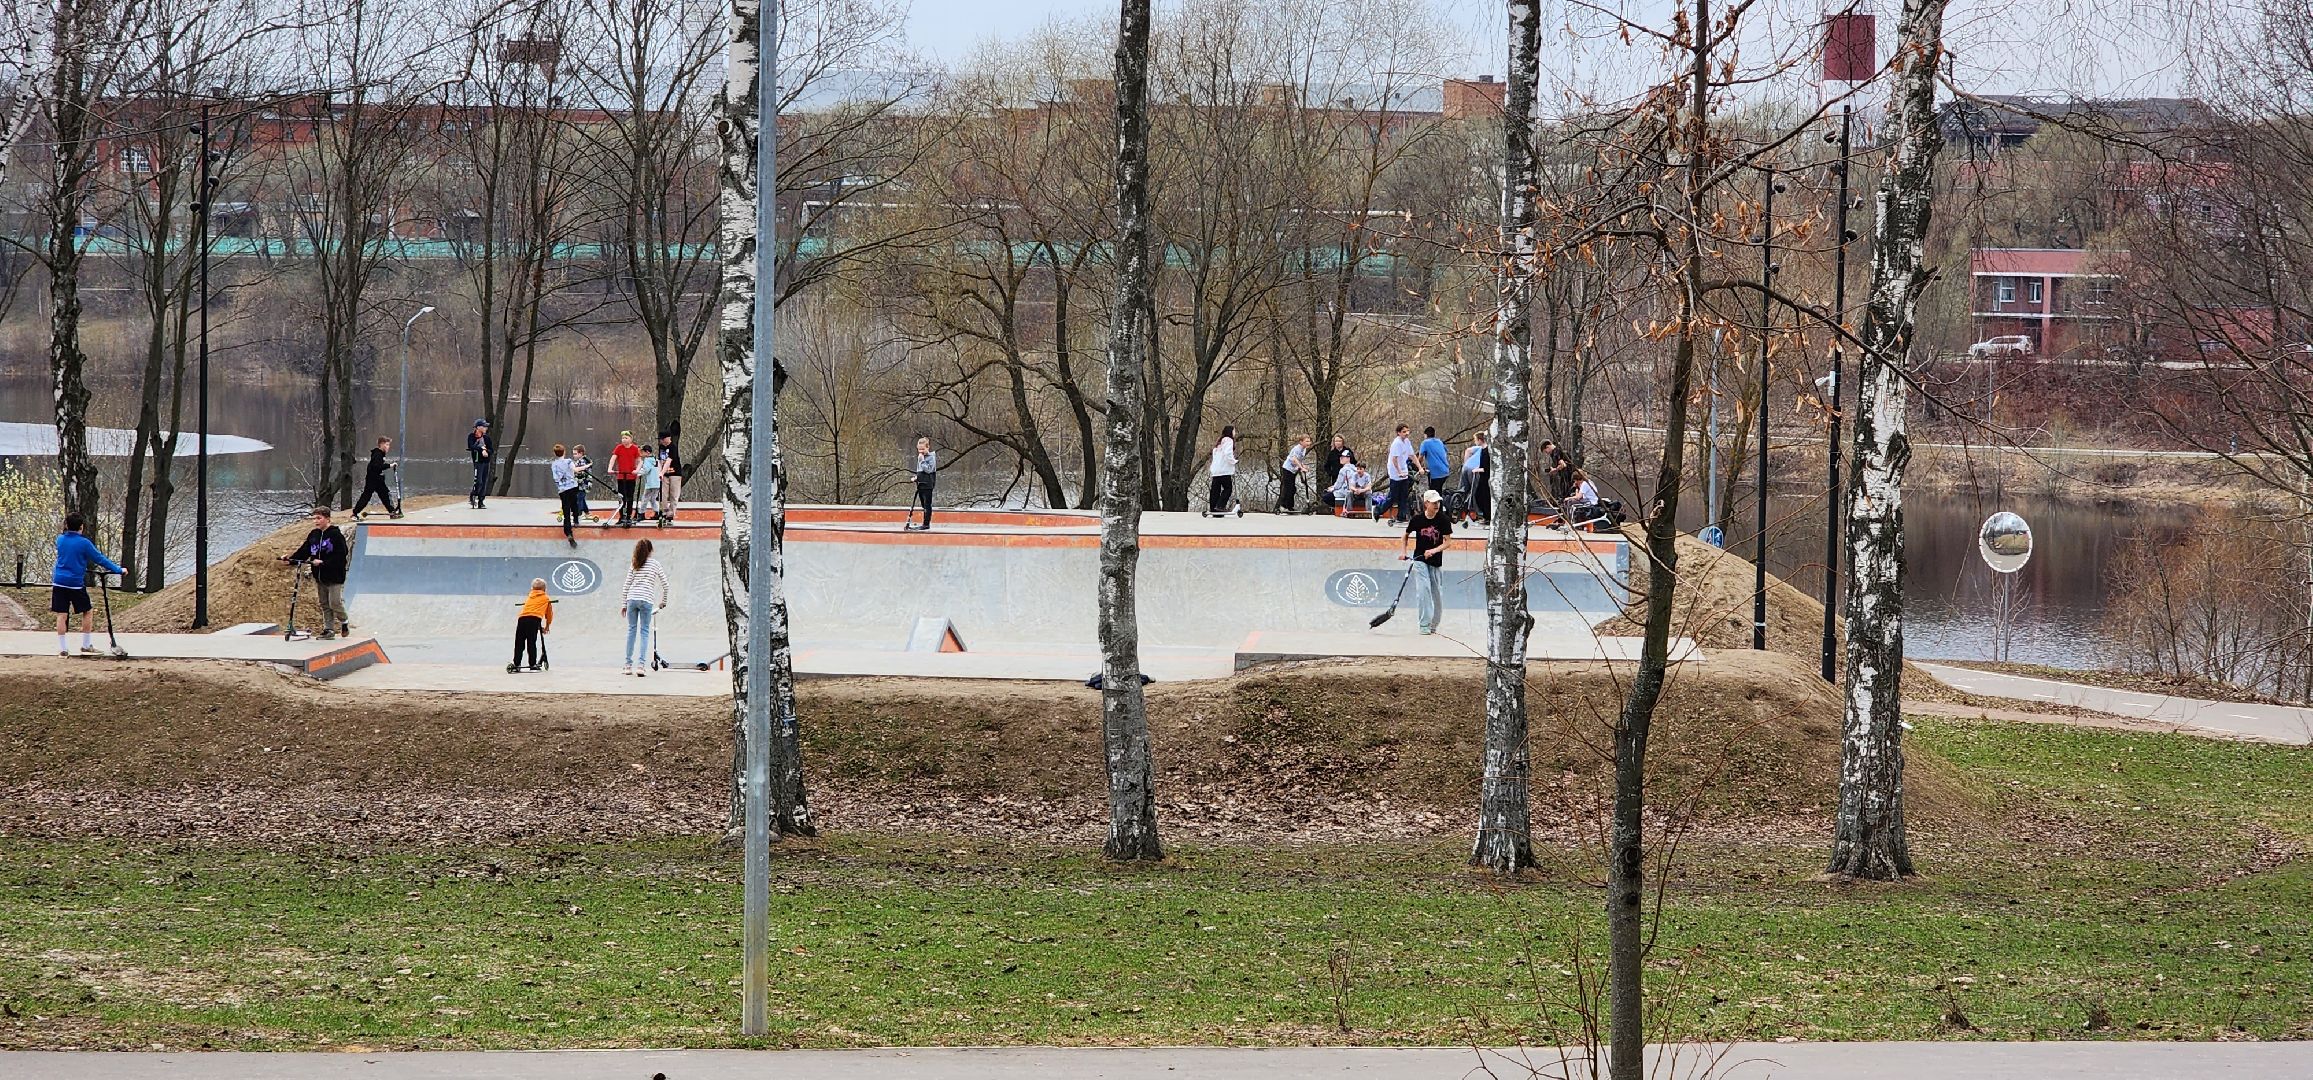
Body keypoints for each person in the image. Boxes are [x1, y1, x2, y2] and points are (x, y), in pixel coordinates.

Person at [50, 513, 124, 656]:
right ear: (81, 527)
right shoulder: (84, 543)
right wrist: (118, 570)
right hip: (75, 584)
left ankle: (63, 649)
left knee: (61, 614)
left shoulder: (60, 540)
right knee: (87, 611)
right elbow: (100, 559)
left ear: (66, 525)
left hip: (59, 582)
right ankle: (85, 645)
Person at [283, 506, 351, 640]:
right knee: (324, 604)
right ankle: (329, 630)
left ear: (327, 519)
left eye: (319, 518)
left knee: (334, 603)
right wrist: (290, 560)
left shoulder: (335, 535)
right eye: (314, 518)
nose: (316, 521)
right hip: (319, 576)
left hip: (334, 575)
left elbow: (341, 555)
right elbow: (304, 551)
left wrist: (324, 562)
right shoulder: (313, 535)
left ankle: (344, 622)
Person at [1401, 488, 1454, 635]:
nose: (1436, 505)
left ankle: (1433, 625)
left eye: (1438, 502)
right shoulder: (1417, 520)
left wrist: (1434, 551)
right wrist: (1404, 552)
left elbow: (1448, 542)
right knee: (1423, 591)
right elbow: (1405, 536)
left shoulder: (1443, 520)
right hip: (1419, 560)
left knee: (1436, 594)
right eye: (1433, 502)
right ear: (1426, 504)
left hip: (1436, 561)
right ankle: (1424, 624)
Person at [621, 538, 669, 676]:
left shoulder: (634, 563)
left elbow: (626, 585)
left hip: (632, 598)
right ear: (650, 550)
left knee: (631, 630)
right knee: (644, 632)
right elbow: (666, 584)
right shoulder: (655, 564)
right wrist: (663, 601)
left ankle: (627, 665)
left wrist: (624, 604)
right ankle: (641, 666)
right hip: (646, 600)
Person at [510, 577, 553, 673]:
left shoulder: (529, 596)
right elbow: (549, 614)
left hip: (522, 619)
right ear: (545, 589)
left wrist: (540, 627)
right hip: (534, 619)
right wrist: (547, 626)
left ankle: (516, 664)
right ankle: (532, 664)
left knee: (519, 642)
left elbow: (530, 612)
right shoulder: (546, 598)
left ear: (532, 589)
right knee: (531, 642)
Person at [352, 436, 401, 519]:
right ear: (381, 445)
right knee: (366, 496)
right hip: (372, 480)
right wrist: (390, 465)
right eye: (387, 444)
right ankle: (355, 513)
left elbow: (378, 466)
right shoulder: (377, 454)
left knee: (385, 495)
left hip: (378, 479)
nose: (388, 447)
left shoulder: (380, 454)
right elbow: (376, 466)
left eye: (389, 445)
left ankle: (392, 512)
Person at [551, 443, 582, 546]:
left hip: (562, 490)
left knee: (566, 510)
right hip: (572, 487)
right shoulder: (569, 461)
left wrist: (560, 482)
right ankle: (576, 520)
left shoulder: (554, 464)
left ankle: (568, 533)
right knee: (575, 504)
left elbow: (555, 478)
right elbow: (576, 470)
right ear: (564, 452)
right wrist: (587, 466)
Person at [610, 431, 644, 527]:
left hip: (631, 476)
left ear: (631, 439)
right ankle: (621, 516)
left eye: (626, 438)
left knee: (629, 496)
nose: (624, 440)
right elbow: (613, 458)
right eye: (623, 438)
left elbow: (639, 461)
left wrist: (637, 470)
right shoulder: (619, 448)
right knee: (621, 497)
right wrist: (610, 468)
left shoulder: (635, 448)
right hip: (621, 476)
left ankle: (628, 516)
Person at [1384, 423, 1415, 523]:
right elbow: (1394, 459)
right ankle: (1379, 510)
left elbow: (1412, 455)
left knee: (1404, 494)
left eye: (1407, 431)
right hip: (1395, 471)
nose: (1406, 433)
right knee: (1393, 496)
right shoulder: (1396, 443)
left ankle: (1401, 516)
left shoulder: (1407, 441)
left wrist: (1420, 467)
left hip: (1403, 469)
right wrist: (1399, 472)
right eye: (1404, 432)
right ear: (1398, 433)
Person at [906, 436, 937, 531]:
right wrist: (916, 477)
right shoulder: (921, 457)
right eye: (919, 449)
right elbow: (920, 471)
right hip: (921, 484)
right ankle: (924, 522)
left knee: (927, 504)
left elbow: (928, 470)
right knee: (923, 504)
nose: (921, 451)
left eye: (923, 449)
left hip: (928, 484)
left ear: (928, 447)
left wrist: (922, 460)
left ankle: (926, 524)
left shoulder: (931, 457)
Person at [1461, 431, 1491, 525]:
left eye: (1476, 440)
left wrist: (1480, 469)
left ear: (1480, 440)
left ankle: (1487, 517)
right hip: (1481, 475)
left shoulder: (1487, 451)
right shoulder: (1482, 450)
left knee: (1485, 497)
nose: (1475, 442)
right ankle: (1485, 515)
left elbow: (1487, 466)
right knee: (1478, 495)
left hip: (1486, 477)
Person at [1207, 425, 1237, 514]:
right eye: (1234, 431)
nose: (1235, 433)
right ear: (1230, 432)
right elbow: (1227, 453)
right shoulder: (1228, 440)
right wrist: (1233, 461)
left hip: (1216, 470)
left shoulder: (1219, 443)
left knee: (1215, 490)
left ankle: (1213, 508)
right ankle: (1220, 506)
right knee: (1228, 488)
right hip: (1224, 470)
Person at [656, 431, 684, 525]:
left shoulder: (673, 447)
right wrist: (660, 472)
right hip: (664, 475)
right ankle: (664, 512)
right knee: (663, 494)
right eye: (661, 440)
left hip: (675, 473)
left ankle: (670, 514)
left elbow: (668, 461)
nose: (662, 441)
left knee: (674, 494)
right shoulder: (661, 447)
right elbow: (660, 460)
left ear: (668, 438)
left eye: (663, 439)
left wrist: (662, 472)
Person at [1277, 434, 1310, 514]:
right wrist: (1301, 468)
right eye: (1306, 441)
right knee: (1289, 488)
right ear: (1301, 442)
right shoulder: (1297, 449)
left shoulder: (1304, 449)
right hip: (1288, 469)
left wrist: (1303, 466)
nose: (1308, 443)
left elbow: (1299, 460)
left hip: (1293, 470)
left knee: (1292, 488)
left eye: (1309, 441)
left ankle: (1289, 506)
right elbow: (1294, 459)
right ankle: (1283, 506)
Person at [467, 419, 493, 509]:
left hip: (486, 462)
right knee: (479, 481)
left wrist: (486, 451)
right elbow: (471, 446)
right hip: (478, 461)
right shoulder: (471, 436)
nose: (486, 428)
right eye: (484, 426)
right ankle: (473, 495)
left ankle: (481, 501)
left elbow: (491, 450)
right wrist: (481, 449)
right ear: (478, 427)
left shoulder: (487, 438)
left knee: (484, 481)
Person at [1418, 426, 1451, 495]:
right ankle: (1440, 505)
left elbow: (1420, 457)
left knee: (1433, 494)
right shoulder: (1439, 441)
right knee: (1438, 492)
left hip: (1436, 473)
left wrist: (1418, 466)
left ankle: (1437, 505)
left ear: (1425, 435)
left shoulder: (1425, 443)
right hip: (1445, 470)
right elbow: (1445, 452)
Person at [570, 443, 595, 519]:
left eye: (575, 454)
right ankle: (587, 513)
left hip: (583, 483)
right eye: (573, 454)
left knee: (579, 498)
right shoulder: (583, 460)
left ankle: (578, 513)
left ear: (581, 453)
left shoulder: (582, 461)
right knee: (582, 498)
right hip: (582, 483)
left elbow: (581, 472)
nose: (574, 455)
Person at [639, 448, 663, 521]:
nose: (641, 454)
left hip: (650, 483)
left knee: (645, 498)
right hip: (657, 482)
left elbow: (646, 470)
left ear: (647, 452)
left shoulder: (647, 460)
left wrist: (637, 473)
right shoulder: (656, 459)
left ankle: (641, 513)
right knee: (653, 498)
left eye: (642, 452)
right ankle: (657, 512)